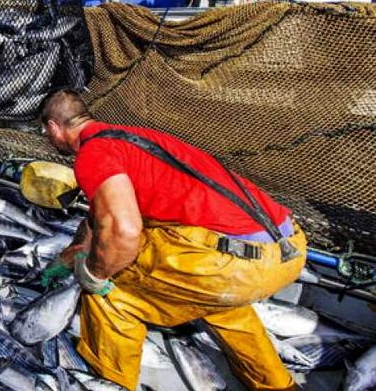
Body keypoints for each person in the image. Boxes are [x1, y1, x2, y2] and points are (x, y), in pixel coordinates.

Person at [40, 88, 306, 391]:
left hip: (228, 262)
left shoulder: (92, 155)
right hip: (283, 250)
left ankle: (109, 385)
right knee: (214, 299)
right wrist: (67, 257)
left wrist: (93, 275)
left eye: (45, 132)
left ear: (53, 127)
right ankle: (279, 386)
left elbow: (123, 232)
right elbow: (98, 222)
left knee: (111, 297)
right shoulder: (132, 138)